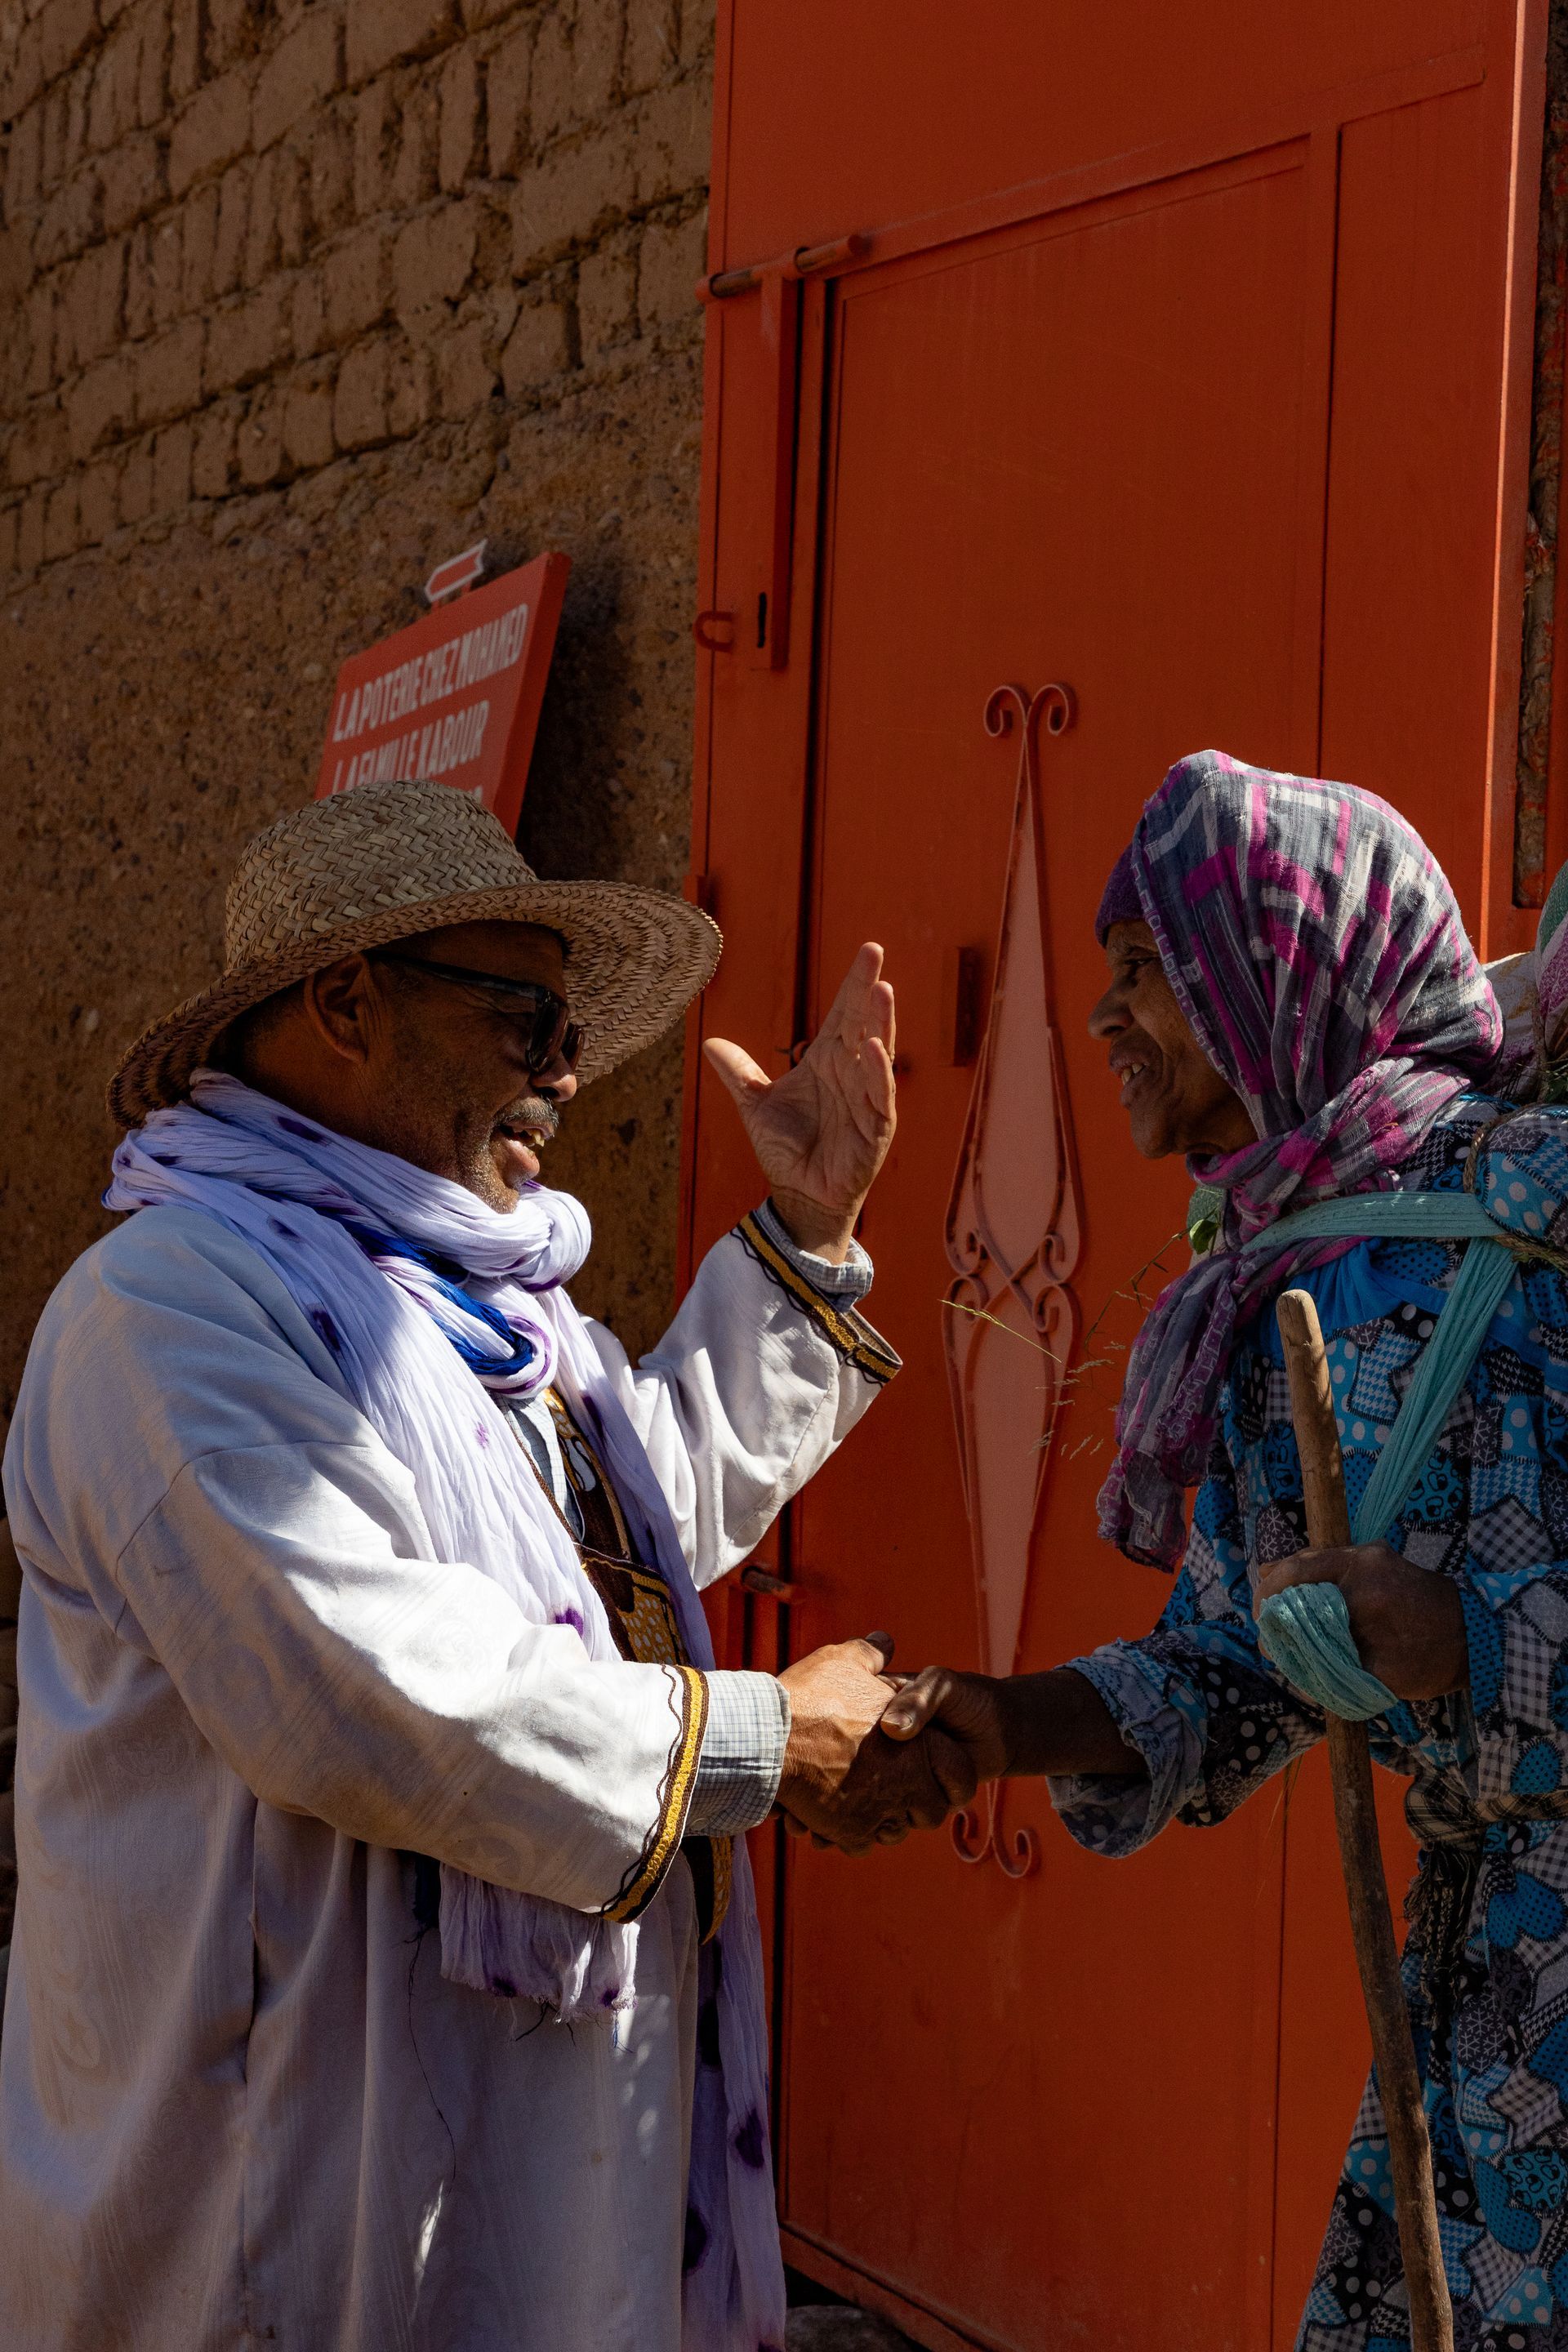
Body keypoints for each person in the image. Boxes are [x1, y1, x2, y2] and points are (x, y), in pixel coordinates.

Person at [0, 777, 971, 2352]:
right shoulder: (164, 1312)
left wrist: (801, 1235)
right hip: (287, 2190)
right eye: (528, 1021)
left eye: (569, 1029)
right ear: (344, 1005)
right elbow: (367, 1685)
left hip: (522, 2152)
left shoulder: (487, 1320)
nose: (570, 1074)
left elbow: (607, 1559)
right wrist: (761, 1739)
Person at [888, 749, 1568, 2349]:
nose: (1106, 1015)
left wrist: (1466, 1641)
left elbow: (1428, 1636)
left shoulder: (1538, 1211)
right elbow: (1231, 1663)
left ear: (1279, 972)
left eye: (1148, 973)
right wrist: (997, 1723)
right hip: (1479, 2029)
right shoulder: (1272, 1286)